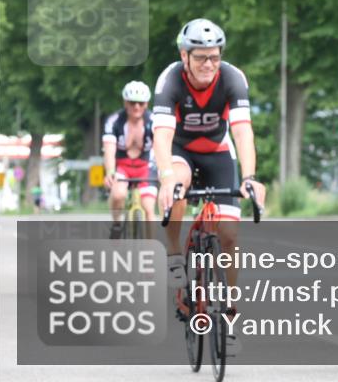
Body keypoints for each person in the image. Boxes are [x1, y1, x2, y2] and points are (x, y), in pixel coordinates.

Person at [153, 18, 266, 357]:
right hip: (180, 152)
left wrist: (249, 177)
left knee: (230, 234)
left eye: (214, 57)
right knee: (177, 186)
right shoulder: (169, 79)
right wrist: (165, 177)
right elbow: (161, 135)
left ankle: (229, 316)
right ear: (184, 56)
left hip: (218, 153)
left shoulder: (232, 78)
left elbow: (243, 132)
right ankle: (174, 251)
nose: (208, 65)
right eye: (200, 57)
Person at [103, 80, 156, 236]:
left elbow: (161, 146)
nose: (136, 107)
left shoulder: (153, 121)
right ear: (125, 102)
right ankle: (117, 224)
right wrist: (110, 171)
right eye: (132, 103)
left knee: (148, 208)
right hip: (122, 166)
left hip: (145, 166)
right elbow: (109, 149)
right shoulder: (114, 121)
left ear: (146, 103)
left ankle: (151, 246)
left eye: (140, 103)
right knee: (118, 194)